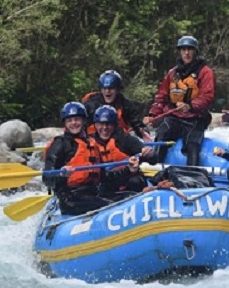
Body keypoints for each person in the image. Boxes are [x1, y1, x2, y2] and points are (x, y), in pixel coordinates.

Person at [42, 102, 135, 215]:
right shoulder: (60, 144)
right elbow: (47, 177)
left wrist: (128, 169)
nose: (73, 123)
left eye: (77, 119)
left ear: (84, 121)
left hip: (93, 194)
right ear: (65, 123)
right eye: (69, 120)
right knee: (111, 207)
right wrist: (61, 175)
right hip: (70, 199)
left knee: (131, 196)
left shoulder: (91, 143)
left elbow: (103, 177)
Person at [143, 35, 215, 166]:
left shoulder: (205, 72)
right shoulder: (172, 73)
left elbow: (207, 96)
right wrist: (152, 115)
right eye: (183, 50)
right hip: (175, 116)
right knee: (162, 132)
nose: (186, 53)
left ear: (195, 51)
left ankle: (192, 173)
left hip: (195, 118)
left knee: (192, 145)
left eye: (190, 49)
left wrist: (190, 106)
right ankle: (155, 169)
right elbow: (161, 97)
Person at [91, 105, 158, 200]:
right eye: (101, 124)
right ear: (95, 125)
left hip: (127, 181)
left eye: (108, 124)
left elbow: (153, 159)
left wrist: (150, 154)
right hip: (105, 183)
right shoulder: (89, 142)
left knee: (136, 180)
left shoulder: (125, 140)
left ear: (114, 125)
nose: (104, 128)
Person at [82, 70, 152, 142]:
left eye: (111, 88)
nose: (107, 91)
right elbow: (81, 125)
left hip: (118, 143)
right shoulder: (90, 104)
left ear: (117, 89)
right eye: (104, 88)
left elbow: (136, 122)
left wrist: (143, 131)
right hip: (94, 142)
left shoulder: (126, 105)